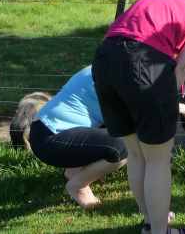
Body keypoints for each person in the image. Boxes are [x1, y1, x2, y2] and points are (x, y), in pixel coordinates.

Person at [92, 0, 185, 234]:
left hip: (104, 59)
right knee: (158, 159)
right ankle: (160, 231)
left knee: (136, 154)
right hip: (142, 63)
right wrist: (166, 99)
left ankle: (150, 221)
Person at [28, 65, 128, 209]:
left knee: (125, 135)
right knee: (125, 145)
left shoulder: (107, 64)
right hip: (51, 139)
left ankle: (74, 172)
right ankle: (78, 185)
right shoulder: (117, 73)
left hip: (47, 133)